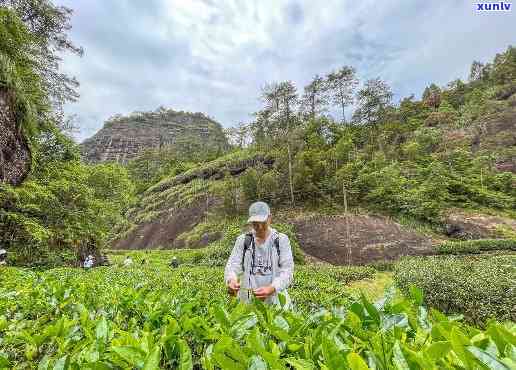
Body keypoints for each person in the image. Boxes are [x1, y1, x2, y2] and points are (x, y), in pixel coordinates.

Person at [224, 201, 294, 306]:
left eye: (263, 222)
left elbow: (287, 272)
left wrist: (271, 288)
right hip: (248, 304)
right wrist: (231, 280)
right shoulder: (243, 240)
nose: (260, 227)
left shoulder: (281, 240)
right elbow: (232, 266)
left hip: (276, 304)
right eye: (255, 224)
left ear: (270, 218)